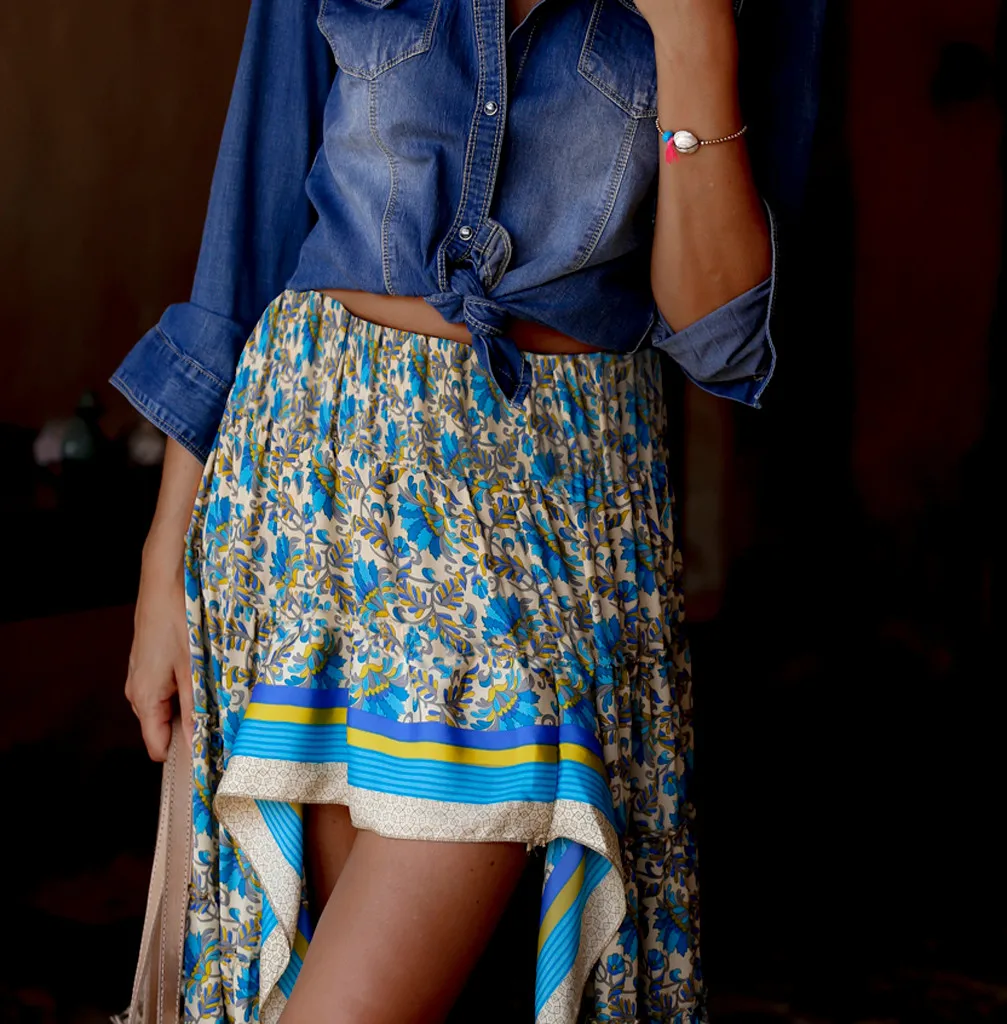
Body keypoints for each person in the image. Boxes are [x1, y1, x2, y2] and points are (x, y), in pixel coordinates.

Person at [112, 1, 824, 1021]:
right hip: (308, 487)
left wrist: (691, 31)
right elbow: (248, 237)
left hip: (547, 517)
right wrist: (164, 561)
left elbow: (720, 338)